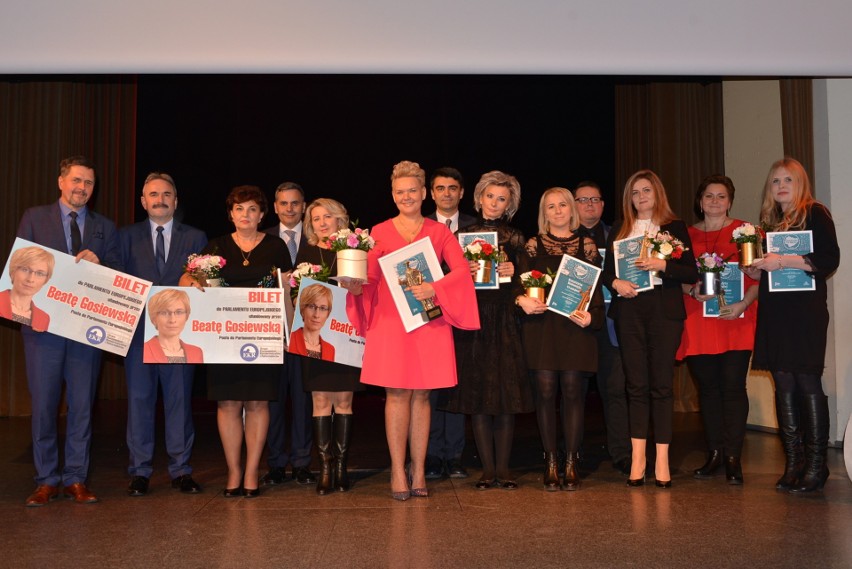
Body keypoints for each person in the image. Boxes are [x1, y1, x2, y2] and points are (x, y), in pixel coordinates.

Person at [342, 160, 479, 500]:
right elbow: (369, 280)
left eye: (412, 191)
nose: (406, 196)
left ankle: (418, 469)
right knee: (397, 395)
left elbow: (461, 270)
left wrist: (436, 287)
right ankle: (397, 469)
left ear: (423, 193)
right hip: (390, 323)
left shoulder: (439, 232)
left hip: (428, 322)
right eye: (400, 191)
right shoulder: (377, 232)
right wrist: (355, 287)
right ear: (393, 195)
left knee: (422, 396)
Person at [16, 155, 121, 506]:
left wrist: (101, 265)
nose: (82, 188)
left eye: (89, 183)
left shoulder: (105, 226)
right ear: (61, 182)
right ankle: (46, 480)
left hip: (85, 333)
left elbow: (119, 277)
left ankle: (76, 478)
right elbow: (20, 267)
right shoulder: (34, 217)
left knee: (81, 407)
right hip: (43, 330)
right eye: (76, 180)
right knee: (44, 406)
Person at [180, 185, 292, 497]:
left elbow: (286, 290)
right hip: (223, 339)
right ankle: (233, 471)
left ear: (261, 214)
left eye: (252, 209)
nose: (246, 214)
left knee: (257, 403)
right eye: (239, 209)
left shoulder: (275, 247)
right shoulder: (214, 247)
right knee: (228, 404)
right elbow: (185, 280)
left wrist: (288, 331)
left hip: (264, 337)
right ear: (231, 214)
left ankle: (253, 471)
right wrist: (194, 284)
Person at [745, 158, 839, 493]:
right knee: (782, 380)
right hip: (776, 310)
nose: (781, 185)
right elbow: (770, 270)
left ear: (800, 183)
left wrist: (783, 260)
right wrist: (757, 270)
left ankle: (816, 466)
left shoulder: (816, 213)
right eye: (775, 181)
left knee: (806, 378)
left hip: (805, 311)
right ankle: (794, 463)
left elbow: (830, 259)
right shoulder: (770, 222)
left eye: (788, 179)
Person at [601, 169, 697, 488]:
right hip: (629, 310)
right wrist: (616, 282)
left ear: (657, 194)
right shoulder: (619, 228)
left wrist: (663, 266)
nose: (641, 198)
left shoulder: (674, 227)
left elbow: (690, 272)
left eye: (646, 191)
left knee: (662, 386)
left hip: (664, 310)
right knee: (636, 386)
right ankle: (638, 460)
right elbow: (604, 274)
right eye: (634, 193)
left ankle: (663, 461)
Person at [444, 170, 533, 490]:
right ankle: (486, 470)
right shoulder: (459, 237)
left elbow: (530, 283)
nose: (495, 203)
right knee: (478, 397)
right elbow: (446, 281)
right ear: (479, 198)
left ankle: (504, 468)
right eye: (490, 196)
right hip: (472, 320)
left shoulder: (517, 237)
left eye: (502, 199)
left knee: (506, 396)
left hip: (506, 320)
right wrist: (459, 272)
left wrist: (514, 272)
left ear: (509, 205)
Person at [120, 172, 207, 497]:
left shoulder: (196, 238)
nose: (160, 199)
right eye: (153, 194)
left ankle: (181, 470)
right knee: (140, 403)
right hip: (139, 334)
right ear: (143, 201)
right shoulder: (125, 237)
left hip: (180, 335)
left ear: (176, 200)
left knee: (179, 402)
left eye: (166, 194)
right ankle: (140, 471)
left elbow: (203, 285)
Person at [516, 187, 604, 491]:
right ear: (544, 212)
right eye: (550, 206)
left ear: (572, 209)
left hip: (575, 329)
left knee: (572, 392)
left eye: (562, 205)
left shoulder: (587, 245)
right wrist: (521, 300)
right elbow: (519, 286)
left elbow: (595, 290)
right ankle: (550, 461)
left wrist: (594, 316)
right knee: (545, 391)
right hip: (542, 330)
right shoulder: (531, 245)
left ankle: (571, 461)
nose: (557, 210)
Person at [676, 175, 758, 485]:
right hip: (698, 321)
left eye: (720, 196)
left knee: (734, 388)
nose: (714, 201)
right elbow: (675, 276)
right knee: (708, 391)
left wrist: (743, 305)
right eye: (708, 196)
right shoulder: (685, 236)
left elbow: (758, 278)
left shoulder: (746, 232)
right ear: (700, 201)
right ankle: (714, 454)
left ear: (730, 201)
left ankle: (734, 458)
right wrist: (690, 291)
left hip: (736, 318)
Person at [293, 198, 364, 495]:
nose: (321, 222)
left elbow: (364, 291)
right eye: (315, 218)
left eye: (327, 217)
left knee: (344, 402)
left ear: (339, 219)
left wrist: (357, 287)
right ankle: (324, 467)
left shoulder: (354, 250)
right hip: (316, 337)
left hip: (347, 335)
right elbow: (300, 294)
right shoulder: (306, 251)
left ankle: (341, 467)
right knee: (321, 402)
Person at [574, 181, 632, 477]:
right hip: (577, 324)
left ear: (603, 205)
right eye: (582, 200)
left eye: (595, 199)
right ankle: (575, 452)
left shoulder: (619, 237)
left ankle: (621, 453)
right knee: (575, 393)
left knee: (615, 390)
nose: (589, 205)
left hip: (610, 323)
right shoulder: (564, 239)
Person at [424, 166, 476, 480]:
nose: (446, 193)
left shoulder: (475, 227)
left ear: (461, 192)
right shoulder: (420, 225)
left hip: (461, 314)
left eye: (452, 188)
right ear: (431, 193)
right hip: (427, 314)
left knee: (457, 386)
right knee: (429, 388)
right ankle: (430, 455)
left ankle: (454, 455)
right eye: (440, 188)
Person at [262, 181, 315, 486]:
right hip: (272, 332)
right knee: (274, 400)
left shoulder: (316, 238)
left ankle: (303, 462)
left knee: (303, 399)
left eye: (295, 203)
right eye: (284, 203)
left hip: (308, 332)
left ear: (304, 205)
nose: (290, 209)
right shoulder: (263, 239)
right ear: (275, 206)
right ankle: (276, 463)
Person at [0, 246, 55, 331]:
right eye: (25, 269)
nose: (30, 279)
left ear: (46, 280)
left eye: (39, 274)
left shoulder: (44, 318)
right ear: (13, 271)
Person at [143, 289, 204, 364]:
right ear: (154, 318)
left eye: (179, 312)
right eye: (164, 313)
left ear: (186, 316)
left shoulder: (196, 352)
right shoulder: (143, 350)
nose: (172, 320)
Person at [289, 284, 336, 361]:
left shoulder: (330, 350)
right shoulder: (290, 341)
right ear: (302, 309)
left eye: (322, 308)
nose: (316, 315)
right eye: (311, 306)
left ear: (328, 313)